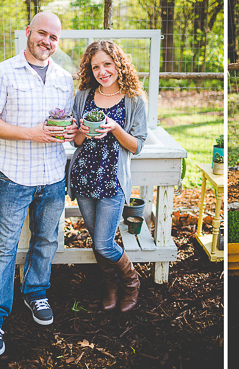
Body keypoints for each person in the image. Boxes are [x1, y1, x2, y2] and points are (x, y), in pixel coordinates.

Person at [0, 11, 76, 358]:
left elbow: (65, 124)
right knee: (3, 249)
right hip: (15, 177)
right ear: (29, 32)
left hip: (52, 177)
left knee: (47, 240)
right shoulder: (3, 72)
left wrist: (76, 130)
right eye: (42, 34)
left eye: (54, 37)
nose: (47, 41)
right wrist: (30, 134)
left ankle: (36, 293)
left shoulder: (64, 78)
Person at [68, 40, 148, 314]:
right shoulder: (84, 96)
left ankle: (131, 283)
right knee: (96, 238)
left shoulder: (133, 99)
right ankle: (110, 286)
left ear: (118, 64)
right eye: (96, 67)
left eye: (107, 64)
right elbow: (76, 142)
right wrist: (82, 131)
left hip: (112, 181)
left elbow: (137, 145)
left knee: (103, 241)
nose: (102, 71)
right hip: (84, 178)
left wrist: (114, 127)